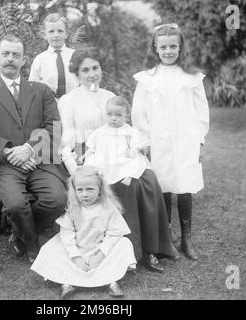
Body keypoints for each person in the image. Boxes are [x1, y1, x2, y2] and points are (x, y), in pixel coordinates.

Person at [58, 47, 179, 273]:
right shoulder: (68, 100)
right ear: (76, 73)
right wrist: (78, 172)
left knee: (149, 180)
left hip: (118, 153)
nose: (92, 74)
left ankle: (158, 245)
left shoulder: (108, 97)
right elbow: (66, 144)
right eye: (85, 70)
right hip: (90, 157)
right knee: (129, 187)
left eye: (95, 68)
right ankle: (134, 251)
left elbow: (124, 128)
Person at [0, 34, 68, 264]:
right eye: (5, 54)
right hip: (5, 164)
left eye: (16, 55)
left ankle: (20, 235)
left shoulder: (42, 91)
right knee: (14, 204)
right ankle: (32, 244)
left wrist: (29, 149)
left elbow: (54, 127)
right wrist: (8, 153)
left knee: (57, 199)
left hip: (39, 161)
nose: (10, 59)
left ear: (24, 60)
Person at [132, 23, 210, 260]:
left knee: (185, 184)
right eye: (163, 47)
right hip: (159, 140)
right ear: (155, 48)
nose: (168, 51)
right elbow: (139, 113)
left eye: (173, 46)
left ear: (180, 47)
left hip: (185, 139)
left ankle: (186, 238)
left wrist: (199, 141)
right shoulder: (147, 79)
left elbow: (201, 111)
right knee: (163, 184)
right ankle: (166, 238)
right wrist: (145, 141)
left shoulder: (192, 77)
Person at [85, 95, 180, 271]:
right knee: (118, 188)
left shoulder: (131, 133)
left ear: (126, 117)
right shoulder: (99, 133)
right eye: (110, 114)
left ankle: (153, 247)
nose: (113, 118)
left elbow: (137, 156)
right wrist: (92, 168)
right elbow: (91, 152)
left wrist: (130, 172)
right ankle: (127, 253)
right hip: (105, 169)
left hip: (127, 167)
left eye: (118, 115)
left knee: (145, 183)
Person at [31, 166, 136, 299]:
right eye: (79, 190)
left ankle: (110, 280)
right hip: (77, 249)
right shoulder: (72, 209)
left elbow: (114, 234)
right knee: (51, 248)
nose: (84, 194)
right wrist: (76, 257)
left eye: (90, 189)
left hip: (100, 250)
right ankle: (68, 281)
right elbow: (67, 236)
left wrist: (100, 255)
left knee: (124, 244)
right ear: (74, 191)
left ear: (100, 190)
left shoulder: (108, 208)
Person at [29, 12, 78, 99]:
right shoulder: (40, 60)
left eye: (60, 31)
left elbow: (85, 80)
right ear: (44, 35)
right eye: (51, 31)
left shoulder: (75, 56)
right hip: (48, 103)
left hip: (74, 101)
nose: (56, 35)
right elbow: (32, 87)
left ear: (66, 34)